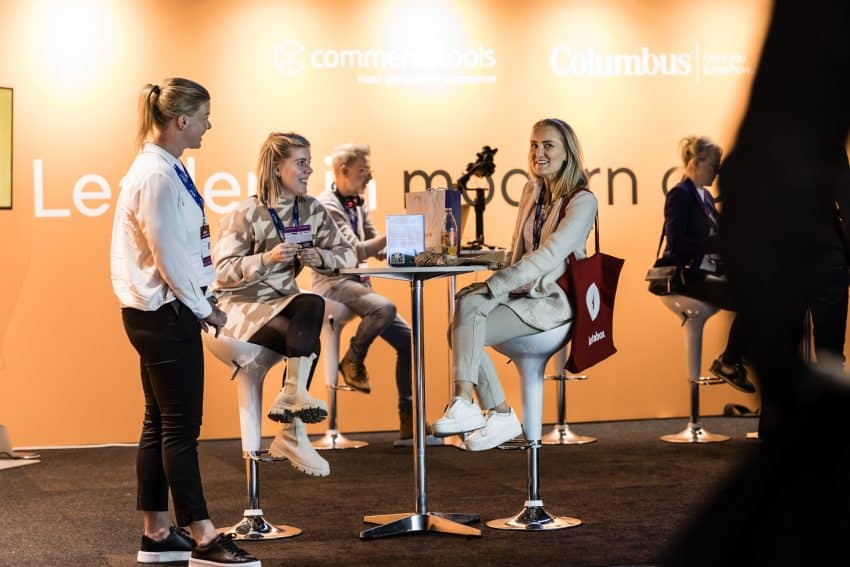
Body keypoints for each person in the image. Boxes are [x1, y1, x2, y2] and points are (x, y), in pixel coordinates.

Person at [111, 78, 259, 566]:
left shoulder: (161, 168)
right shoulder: (155, 175)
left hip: (157, 312)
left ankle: (156, 532)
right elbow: (168, 255)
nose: (209, 126)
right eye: (204, 117)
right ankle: (205, 537)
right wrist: (204, 307)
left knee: (159, 423)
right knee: (180, 430)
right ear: (181, 120)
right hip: (165, 314)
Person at [433, 118, 598, 451]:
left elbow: (549, 256)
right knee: (464, 312)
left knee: (466, 319)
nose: (538, 153)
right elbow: (516, 251)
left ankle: (477, 406)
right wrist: (483, 272)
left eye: (548, 145)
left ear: (567, 152)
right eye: (534, 145)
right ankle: (492, 411)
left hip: (551, 302)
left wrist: (492, 287)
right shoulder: (530, 191)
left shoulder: (583, 201)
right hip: (520, 295)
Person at [212, 132, 356, 477]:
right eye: (301, 163)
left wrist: (319, 256)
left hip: (284, 303)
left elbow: (348, 255)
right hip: (238, 308)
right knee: (307, 333)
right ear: (278, 168)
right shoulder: (246, 212)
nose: (309, 171)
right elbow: (221, 271)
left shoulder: (310, 209)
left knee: (309, 308)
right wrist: (266, 258)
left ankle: (292, 403)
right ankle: (293, 431)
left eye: (309, 163)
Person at [311, 144, 421, 439]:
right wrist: (398, 231)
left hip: (356, 285)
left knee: (409, 341)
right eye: (363, 171)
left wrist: (408, 240)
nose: (369, 177)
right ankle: (353, 359)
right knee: (384, 308)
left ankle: (408, 420)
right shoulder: (327, 206)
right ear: (343, 171)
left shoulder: (356, 204)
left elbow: (376, 245)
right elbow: (356, 250)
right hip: (333, 284)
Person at [655, 136, 756, 394]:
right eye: (714, 165)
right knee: (752, 299)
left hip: (706, 274)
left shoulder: (706, 197)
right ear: (696, 163)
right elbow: (678, 244)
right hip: (687, 278)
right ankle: (730, 362)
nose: (717, 171)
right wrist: (718, 244)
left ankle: (737, 357)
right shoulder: (680, 195)